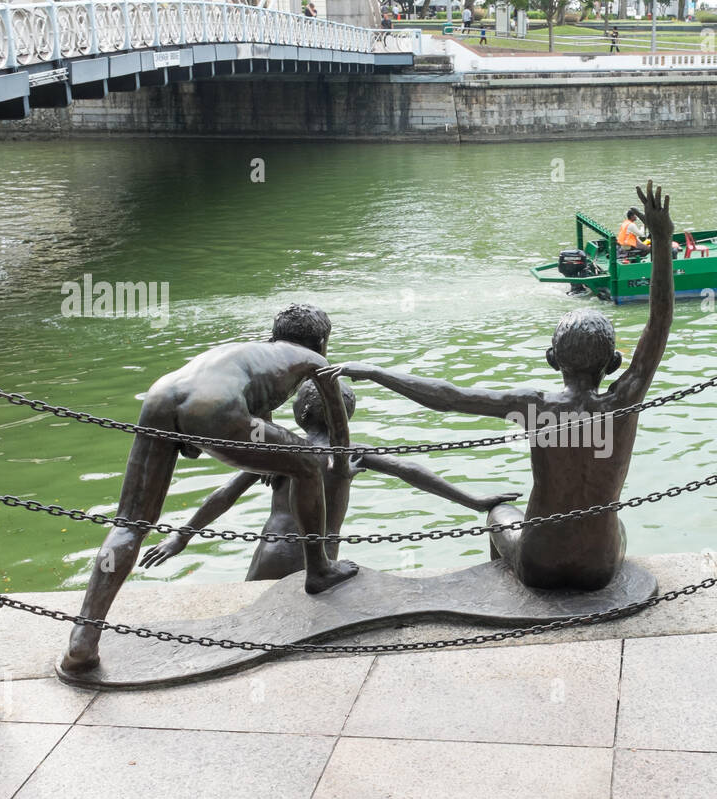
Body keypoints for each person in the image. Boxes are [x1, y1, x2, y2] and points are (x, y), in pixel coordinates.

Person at [340, 181, 677, 592]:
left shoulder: (533, 405)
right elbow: (659, 321)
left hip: (540, 562)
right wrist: (661, 239)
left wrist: (377, 372)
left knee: (500, 515)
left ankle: (505, 590)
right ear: (613, 363)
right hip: (599, 565)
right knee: (616, 521)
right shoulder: (624, 400)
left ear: (552, 360)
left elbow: (447, 398)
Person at [61, 305, 358, 673]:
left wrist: (268, 457)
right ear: (323, 341)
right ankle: (320, 571)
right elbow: (338, 433)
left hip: (163, 393)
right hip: (216, 405)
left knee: (131, 521)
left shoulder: (256, 352)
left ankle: (83, 639)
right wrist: (338, 467)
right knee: (310, 464)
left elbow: (258, 406)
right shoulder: (315, 360)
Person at [139, 380, 517, 580]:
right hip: (320, 557)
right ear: (346, 416)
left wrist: (181, 536)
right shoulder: (351, 451)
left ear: (300, 413)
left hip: (273, 551)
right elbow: (413, 473)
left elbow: (224, 495)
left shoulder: (283, 448)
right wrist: (474, 501)